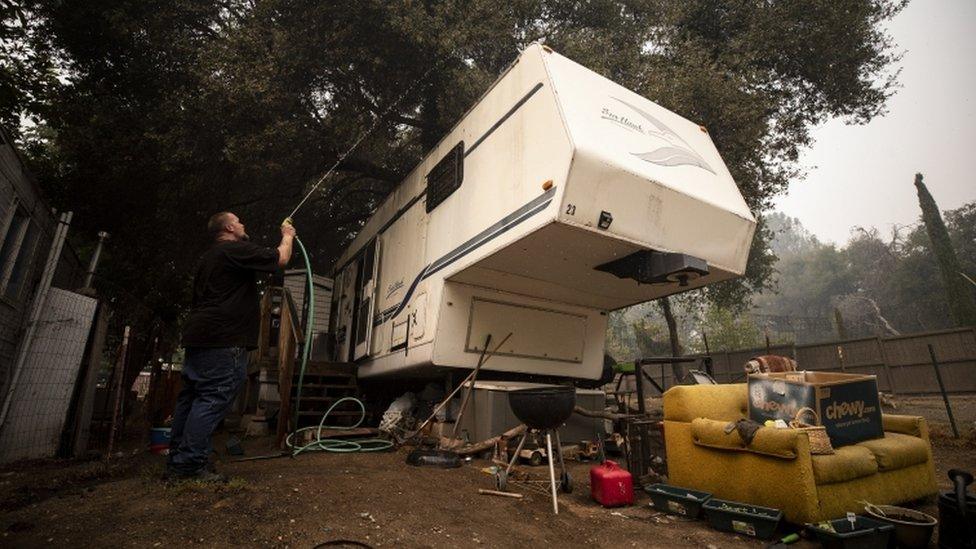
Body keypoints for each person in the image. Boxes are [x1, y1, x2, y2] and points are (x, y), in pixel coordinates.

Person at [166, 212, 296, 480]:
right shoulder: (233, 250)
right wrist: (287, 236)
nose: (243, 224)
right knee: (213, 397)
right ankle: (189, 466)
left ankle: (178, 460)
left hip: (199, 336)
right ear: (228, 228)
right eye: (238, 222)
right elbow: (280, 258)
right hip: (223, 339)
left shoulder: (208, 258)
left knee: (191, 399)